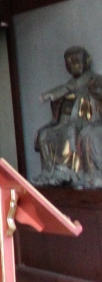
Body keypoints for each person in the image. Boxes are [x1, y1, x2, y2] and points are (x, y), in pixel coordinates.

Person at [34, 46, 102, 187]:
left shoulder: (95, 80)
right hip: (65, 121)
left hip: (86, 120)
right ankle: (49, 173)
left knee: (70, 131)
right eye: (68, 63)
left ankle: (64, 171)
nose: (72, 66)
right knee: (45, 135)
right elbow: (62, 96)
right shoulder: (69, 85)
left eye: (76, 62)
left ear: (87, 61)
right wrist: (54, 97)